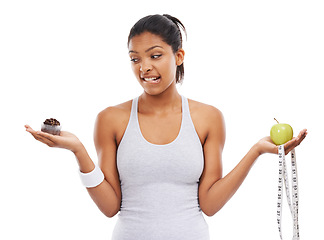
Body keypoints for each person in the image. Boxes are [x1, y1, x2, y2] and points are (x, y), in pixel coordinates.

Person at [25, 14, 307, 240]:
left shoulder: (208, 118)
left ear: (179, 56)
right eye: (135, 58)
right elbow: (110, 207)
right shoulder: (111, 118)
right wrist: (78, 150)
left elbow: (209, 203)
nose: (144, 67)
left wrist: (256, 151)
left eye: (155, 55)